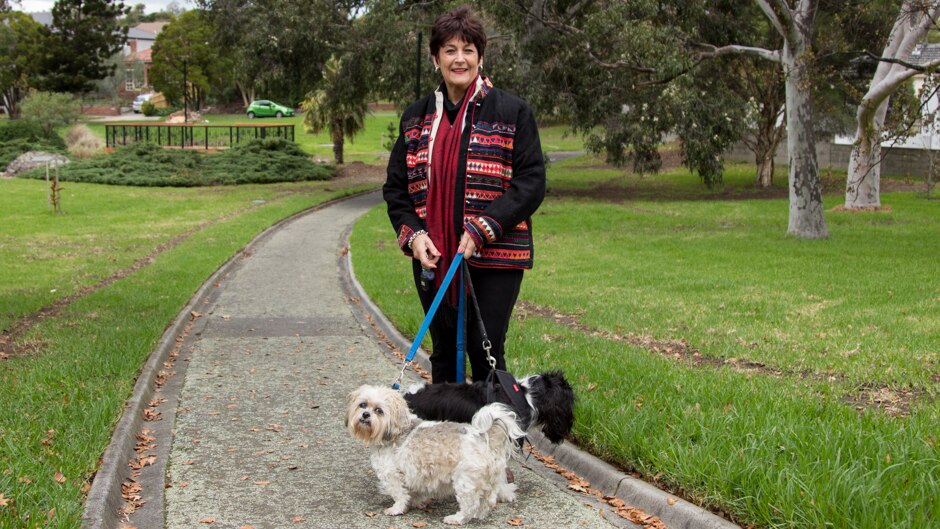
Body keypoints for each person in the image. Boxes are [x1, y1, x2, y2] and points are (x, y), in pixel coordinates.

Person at [383, 6, 546, 384]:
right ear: (435, 58)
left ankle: (499, 441)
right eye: (450, 50)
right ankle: (443, 442)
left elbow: (531, 181)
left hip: (495, 255)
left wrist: (482, 228)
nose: (460, 59)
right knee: (441, 351)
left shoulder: (512, 111)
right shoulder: (415, 118)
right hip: (433, 257)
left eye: (468, 50)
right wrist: (414, 234)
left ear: (481, 57)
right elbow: (396, 188)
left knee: (484, 349)